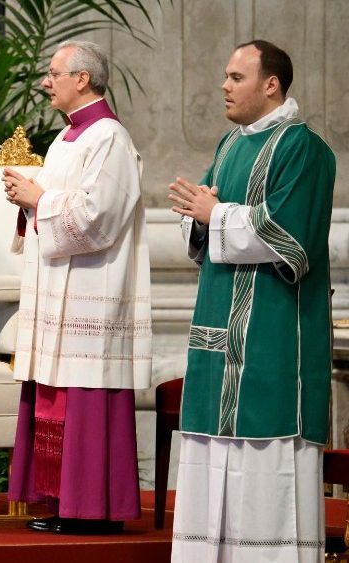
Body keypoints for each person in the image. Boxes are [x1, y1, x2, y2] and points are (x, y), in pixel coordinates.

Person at [167, 40, 335, 561]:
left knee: (268, 467)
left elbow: (288, 236)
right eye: (225, 75)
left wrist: (213, 214)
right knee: (212, 463)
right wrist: (202, 217)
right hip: (221, 332)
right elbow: (211, 221)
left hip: (274, 335)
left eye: (237, 77)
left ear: (271, 85)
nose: (224, 85)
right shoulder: (230, 144)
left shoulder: (303, 148)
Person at [3, 40, 150, 535]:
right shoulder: (68, 138)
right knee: (55, 397)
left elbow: (97, 218)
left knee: (84, 399)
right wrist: (28, 203)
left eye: (54, 73)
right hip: (60, 290)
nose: (47, 81)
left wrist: (37, 199)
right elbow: (58, 208)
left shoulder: (109, 138)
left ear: (82, 79)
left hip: (93, 290)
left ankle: (94, 510)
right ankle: (64, 502)